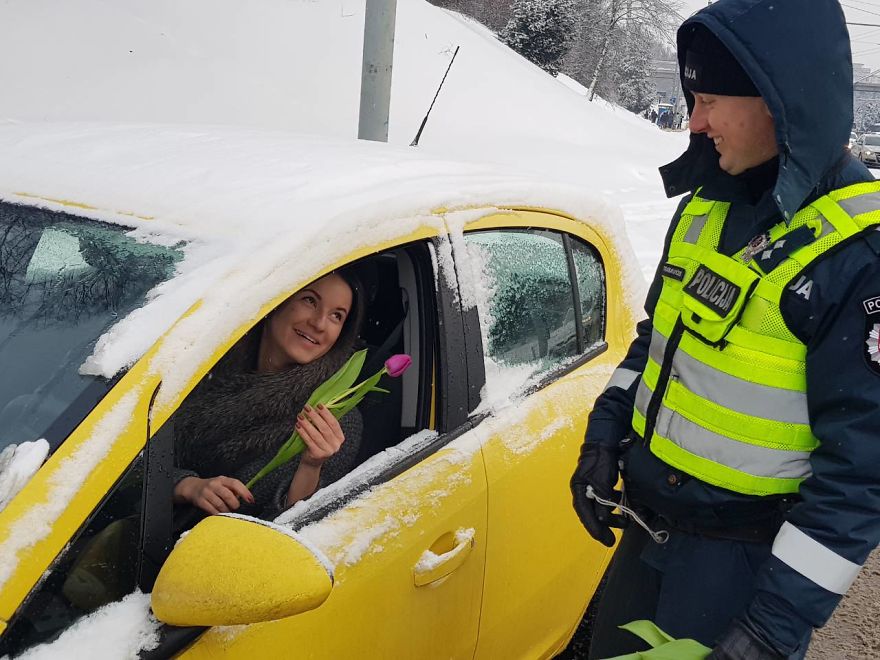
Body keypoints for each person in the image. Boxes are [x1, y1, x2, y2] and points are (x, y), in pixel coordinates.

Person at [570, 1, 880, 659]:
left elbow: (860, 474)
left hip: (740, 570)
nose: (695, 120)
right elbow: (656, 341)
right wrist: (604, 436)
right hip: (647, 540)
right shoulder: (707, 204)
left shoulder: (856, 255)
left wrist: (774, 626)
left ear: (778, 100)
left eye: (710, 99)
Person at [172, 269, 366, 520]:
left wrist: (311, 466)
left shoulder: (336, 415)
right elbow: (135, 457)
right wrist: (185, 485)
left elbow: (288, 531)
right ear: (277, 299)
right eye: (310, 300)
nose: (319, 324)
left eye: (336, 316)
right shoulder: (204, 360)